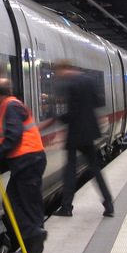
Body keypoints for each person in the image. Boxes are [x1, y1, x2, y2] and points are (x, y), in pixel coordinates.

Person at [0, 78, 48, 253]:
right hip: (29, 160)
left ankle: (33, 234)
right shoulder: (9, 106)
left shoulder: (10, 107)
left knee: (15, 202)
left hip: (28, 160)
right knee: (26, 202)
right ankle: (33, 247)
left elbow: (14, 134)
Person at [52, 60, 114, 218]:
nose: (58, 76)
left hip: (76, 133)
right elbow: (96, 103)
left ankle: (66, 207)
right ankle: (108, 202)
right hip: (89, 131)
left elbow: (73, 113)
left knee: (70, 171)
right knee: (94, 168)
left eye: (57, 72)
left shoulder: (71, 85)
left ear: (63, 69)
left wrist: (56, 120)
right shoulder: (89, 80)